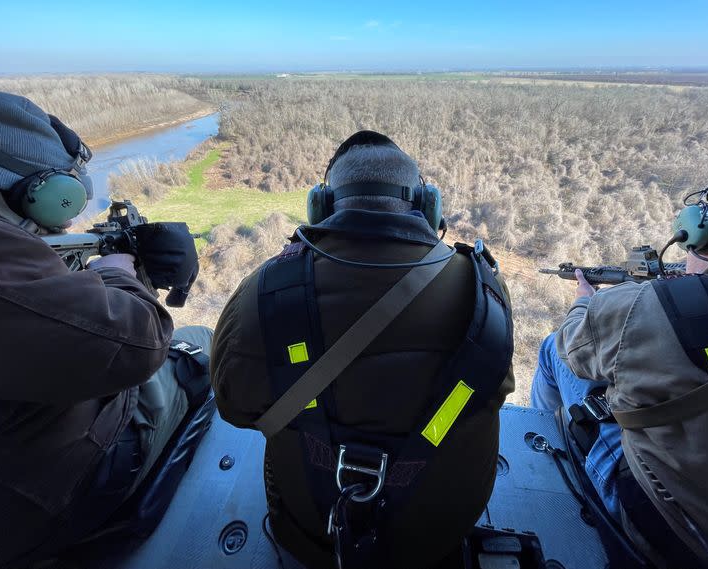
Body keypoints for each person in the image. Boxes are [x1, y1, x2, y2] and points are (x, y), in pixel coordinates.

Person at [211, 130, 514, 569]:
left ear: (321, 206)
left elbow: (234, 408)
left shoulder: (264, 293)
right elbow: (490, 394)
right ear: (429, 207)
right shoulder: (484, 291)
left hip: (311, 536)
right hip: (436, 540)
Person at [0, 89, 210, 568]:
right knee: (197, 348)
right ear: (34, 193)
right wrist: (120, 271)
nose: (65, 225)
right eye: (65, 204)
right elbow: (138, 340)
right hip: (26, 502)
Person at [531, 166, 708, 569]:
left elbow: (574, 345)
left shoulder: (651, 307)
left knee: (550, 351)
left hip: (669, 531)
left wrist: (585, 301)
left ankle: (548, 454)